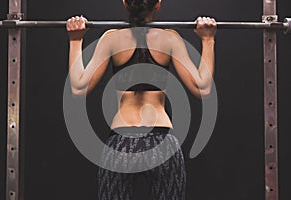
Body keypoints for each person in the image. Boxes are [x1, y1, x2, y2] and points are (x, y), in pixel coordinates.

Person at [66, 0, 216, 199]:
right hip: (162, 143)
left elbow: (78, 88)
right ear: (157, 4)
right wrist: (208, 40)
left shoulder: (111, 39)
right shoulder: (170, 39)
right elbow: (203, 88)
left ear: (125, 3)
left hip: (121, 143)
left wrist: (75, 40)